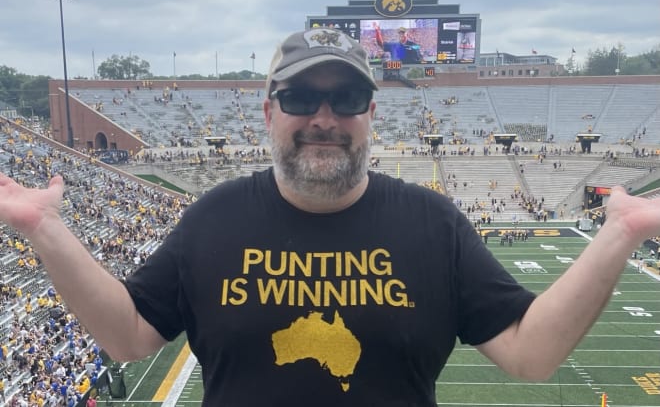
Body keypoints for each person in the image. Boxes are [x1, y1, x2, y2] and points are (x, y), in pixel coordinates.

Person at [0, 27, 659, 406]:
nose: (324, 118)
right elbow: (130, 339)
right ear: (268, 112)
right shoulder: (214, 218)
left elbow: (532, 353)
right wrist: (44, 229)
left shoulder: (433, 225)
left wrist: (620, 233)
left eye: (346, 98)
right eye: (300, 97)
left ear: (372, 115)